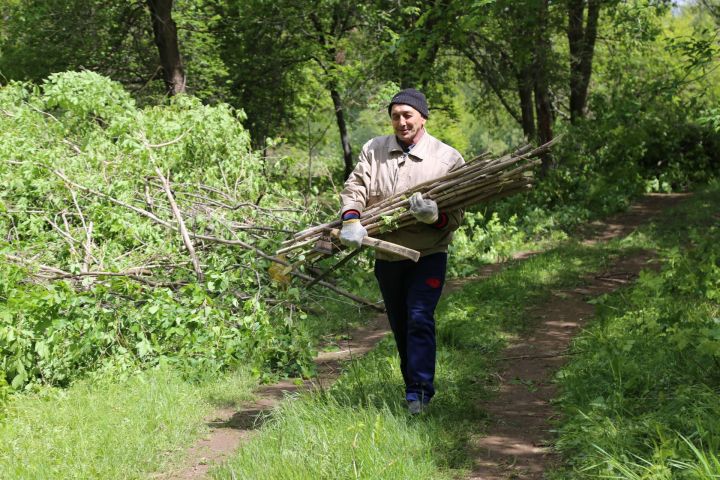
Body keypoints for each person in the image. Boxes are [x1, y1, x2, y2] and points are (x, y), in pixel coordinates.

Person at [338, 88, 464, 414]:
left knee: (420, 318)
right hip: (388, 255)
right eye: (396, 116)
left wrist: (436, 217)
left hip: (428, 255)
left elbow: (457, 216)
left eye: (408, 115)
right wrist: (351, 219)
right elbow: (356, 187)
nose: (401, 122)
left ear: (423, 117)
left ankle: (419, 394)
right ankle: (413, 387)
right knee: (400, 323)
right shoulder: (374, 150)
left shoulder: (447, 159)